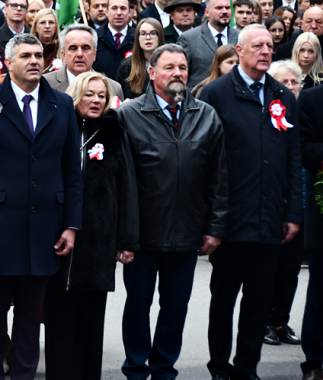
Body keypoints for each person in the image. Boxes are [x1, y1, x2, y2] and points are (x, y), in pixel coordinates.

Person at [0, 33, 83, 380]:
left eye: (38, 55)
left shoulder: (60, 104)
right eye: (25, 55)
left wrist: (71, 225)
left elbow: (72, 171)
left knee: (31, 316)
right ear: (8, 63)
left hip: (46, 228)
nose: (33, 61)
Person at [118, 43, 227, 380]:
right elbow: (121, 183)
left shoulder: (205, 115)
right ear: (151, 73)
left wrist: (215, 227)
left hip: (187, 232)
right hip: (142, 236)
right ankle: (136, 368)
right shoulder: (129, 115)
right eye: (169, 67)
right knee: (137, 307)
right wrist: (124, 237)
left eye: (182, 67)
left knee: (175, 308)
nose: (177, 73)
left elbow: (219, 177)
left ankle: (164, 368)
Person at [199, 24, 302, 380]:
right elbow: (205, 159)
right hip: (230, 220)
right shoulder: (216, 94)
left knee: (258, 304)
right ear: (238, 51)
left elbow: (292, 157)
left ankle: (247, 368)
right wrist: (210, 221)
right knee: (224, 301)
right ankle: (219, 367)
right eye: (257, 45)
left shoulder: (282, 96)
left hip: (270, 219)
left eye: (270, 46)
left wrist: (292, 212)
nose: (265, 51)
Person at [44, 72, 139, 380]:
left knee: (90, 323)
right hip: (60, 240)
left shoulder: (114, 132)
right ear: (76, 96)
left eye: (102, 95)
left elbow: (127, 189)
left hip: (99, 241)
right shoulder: (60, 128)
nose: (96, 100)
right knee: (59, 322)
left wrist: (127, 239)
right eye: (90, 94)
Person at [262, 60, 304, 348]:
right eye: (284, 82)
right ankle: (265, 320)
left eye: (294, 82)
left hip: (300, 200)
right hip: (271, 201)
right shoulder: (269, 110)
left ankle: (281, 320)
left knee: (290, 269)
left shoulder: (304, 112)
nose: (290, 87)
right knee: (269, 268)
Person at [299, 81, 323, 380]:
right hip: (321, 207)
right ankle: (314, 361)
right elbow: (304, 149)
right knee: (319, 293)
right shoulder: (311, 99)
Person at [45, 23, 124, 100]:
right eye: (73, 48)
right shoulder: (45, 84)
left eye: (85, 48)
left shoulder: (113, 88)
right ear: (64, 55)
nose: (79, 54)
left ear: (94, 54)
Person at [177, 0, 239, 87]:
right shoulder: (189, 39)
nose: (225, 11)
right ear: (207, 12)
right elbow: (180, 74)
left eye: (227, 8)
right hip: (199, 98)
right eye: (219, 8)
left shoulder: (241, 37)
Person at [116, 18, 165, 99]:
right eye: (143, 34)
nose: (148, 38)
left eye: (153, 33)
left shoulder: (169, 64)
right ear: (137, 38)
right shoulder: (127, 66)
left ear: (159, 36)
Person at [92, 0, 136, 80]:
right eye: (114, 8)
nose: (119, 13)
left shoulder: (138, 38)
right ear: (106, 12)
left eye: (123, 8)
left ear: (129, 12)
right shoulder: (94, 37)